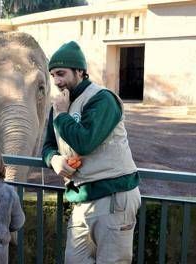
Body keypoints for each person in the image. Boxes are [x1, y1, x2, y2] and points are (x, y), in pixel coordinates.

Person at [42, 41, 141, 263]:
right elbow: (48, 145)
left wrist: (62, 114)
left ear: (80, 71)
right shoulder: (60, 106)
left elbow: (85, 142)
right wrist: (54, 159)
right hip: (82, 199)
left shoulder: (102, 99)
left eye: (61, 73)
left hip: (113, 197)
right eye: (53, 75)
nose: (57, 81)